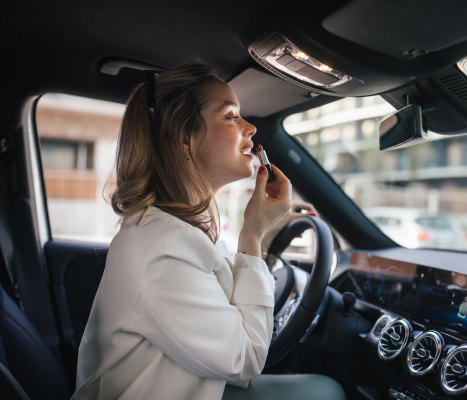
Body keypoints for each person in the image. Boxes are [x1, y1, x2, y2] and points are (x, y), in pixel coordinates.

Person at [71, 63, 345, 400]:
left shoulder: (178, 230)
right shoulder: (164, 247)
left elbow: (224, 314)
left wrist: (261, 241)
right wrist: (252, 239)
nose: (250, 127)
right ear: (184, 139)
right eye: (231, 117)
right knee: (327, 391)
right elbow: (245, 358)